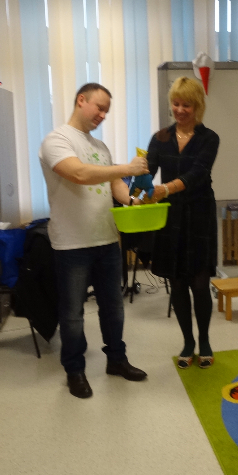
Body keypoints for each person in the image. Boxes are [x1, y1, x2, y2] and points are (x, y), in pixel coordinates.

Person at [39, 82, 149, 399]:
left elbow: (116, 185)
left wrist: (134, 201)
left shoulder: (101, 147)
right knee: (73, 314)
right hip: (71, 244)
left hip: (106, 240)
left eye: (107, 111)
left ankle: (117, 360)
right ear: (81, 100)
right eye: (99, 107)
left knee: (113, 308)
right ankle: (75, 370)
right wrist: (126, 167)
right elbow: (79, 174)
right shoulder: (57, 140)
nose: (103, 115)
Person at [146, 77, 219, 369]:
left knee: (200, 283)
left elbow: (198, 173)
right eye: (175, 103)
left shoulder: (209, 138)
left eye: (186, 104)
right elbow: (146, 173)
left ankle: (205, 340)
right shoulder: (160, 138)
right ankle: (188, 342)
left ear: (197, 106)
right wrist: (134, 190)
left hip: (200, 216)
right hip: (170, 217)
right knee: (177, 284)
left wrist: (165, 189)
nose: (179, 109)